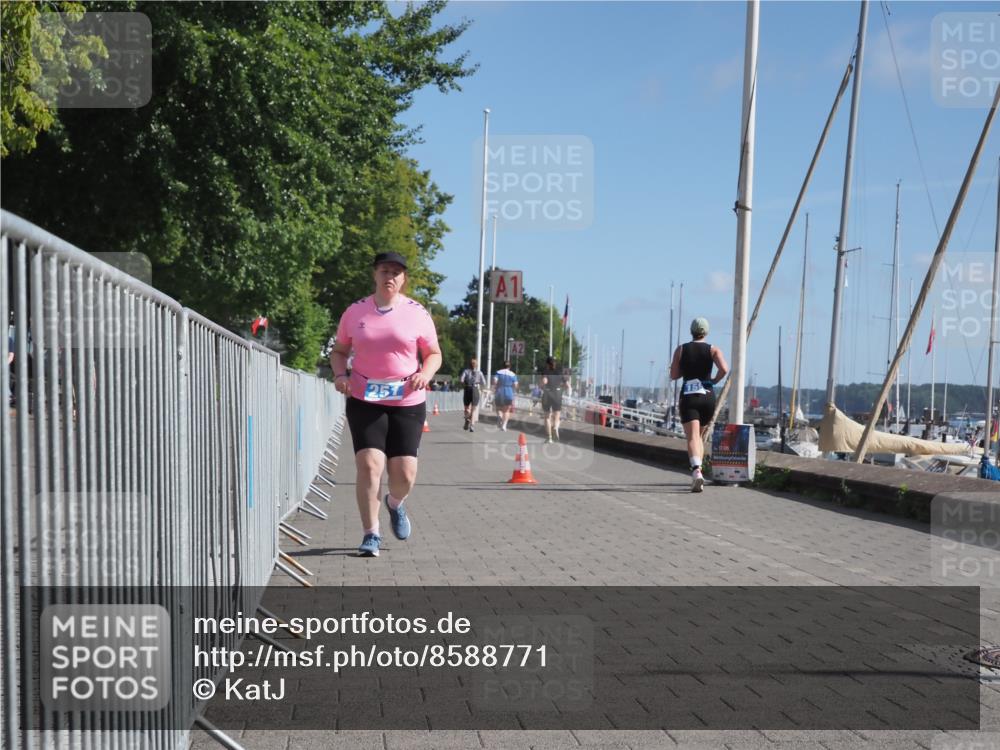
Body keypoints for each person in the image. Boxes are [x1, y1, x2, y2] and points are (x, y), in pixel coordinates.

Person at [329, 251, 442, 557]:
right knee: (369, 465)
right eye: (384, 271)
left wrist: (425, 373)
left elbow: (433, 353)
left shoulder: (417, 313)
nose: (389, 276)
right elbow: (339, 351)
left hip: (407, 398)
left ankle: (395, 503)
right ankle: (371, 534)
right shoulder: (355, 312)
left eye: (396, 272)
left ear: (403, 279)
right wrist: (341, 375)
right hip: (366, 397)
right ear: (374, 275)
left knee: (403, 474)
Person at [669, 317, 728, 492]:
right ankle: (699, 470)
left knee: (692, 437)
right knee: (700, 437)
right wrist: (713, 380)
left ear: (691, 331)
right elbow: (724, 369)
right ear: (706, 332)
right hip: (707, 396)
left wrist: (685, 370)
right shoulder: (713, 350)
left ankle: (696, 471)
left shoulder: (681, 350)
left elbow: (673, 375)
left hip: (689, 395)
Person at [540, 356, 566, 443]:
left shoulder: (545, 371)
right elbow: (567, 384)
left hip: (547, 394)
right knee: (557, 416)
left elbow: (544, 382)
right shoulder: (559, 372)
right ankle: (555, 427)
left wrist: (541, 386)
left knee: (547, 417)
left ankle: (549, 438)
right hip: (557, 394)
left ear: (547, 364)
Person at [459, 357, 486, 432]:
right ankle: (472, 426)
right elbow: (484, 382)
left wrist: (464, 384)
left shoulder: (466, 371)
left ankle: (467, 418)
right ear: (476, 365)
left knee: (466, 407)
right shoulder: (479, 372)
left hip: (467, 388)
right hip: (475, 389)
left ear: (469, 365)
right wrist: (481, 387)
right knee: (473, 410)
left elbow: (461, 380)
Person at [492, 360, 517, 431]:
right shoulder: (513, 374)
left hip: (499, 391)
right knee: (507, 410)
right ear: (510, 366)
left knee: (498, 408)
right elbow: (515, 385)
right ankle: (504, 425)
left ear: (502, 366)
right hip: (509, 392)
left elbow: (495, 381)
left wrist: (495, 386)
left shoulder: (498, 372)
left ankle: (499, 416)